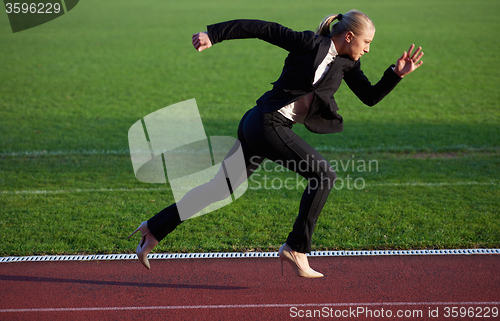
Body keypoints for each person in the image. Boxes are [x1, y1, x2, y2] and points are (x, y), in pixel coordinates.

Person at [129, 10, 424, 278]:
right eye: (366, 41)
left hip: (261, 124)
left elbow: (369, 97)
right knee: (323, 176)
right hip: (266, 122)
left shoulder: (347, 64)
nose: (368, 48)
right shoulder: (309, 43)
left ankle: (154, 228)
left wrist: (395, 74)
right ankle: (296, 248)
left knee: (220, 188)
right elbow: (262, 28)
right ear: (349, 36)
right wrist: (214, 35)